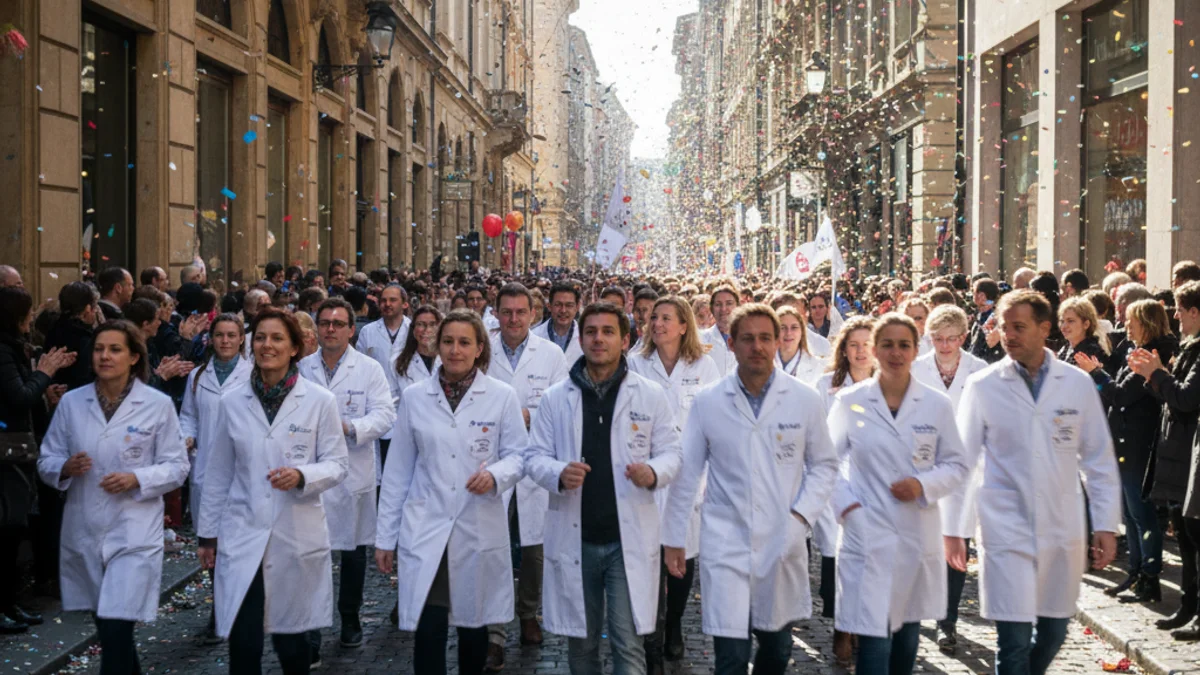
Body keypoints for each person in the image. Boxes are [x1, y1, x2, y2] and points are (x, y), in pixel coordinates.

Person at [947, 290, 1121, 675]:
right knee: (1012, 643)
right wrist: (953, 529)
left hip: (1061, 525)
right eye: (1003, 327)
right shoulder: (984, 385)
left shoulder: (1074, 384)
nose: (1007, 335)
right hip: (1004, 526)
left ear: (1045, 329)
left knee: (1054, 632)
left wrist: (1107, 524)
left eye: (1018, 327)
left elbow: (1098, 457)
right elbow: (961, 462)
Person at [664, 303, 837, 675]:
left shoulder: (804, 400)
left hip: (782, 541)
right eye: (747, 339)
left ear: (777, 342)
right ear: (731, 344)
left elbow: (824, 465)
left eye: (765, 338)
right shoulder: (709, 401)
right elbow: (687, 472)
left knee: (777, 648)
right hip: (727, 541)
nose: (756, 347)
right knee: (730, 657)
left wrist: (800, 518)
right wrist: (675, 538)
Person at [525, 302, 682, 675]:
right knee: (582, 647)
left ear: (625, 340)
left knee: (628, 646)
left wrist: (654, 471)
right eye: (591, 332)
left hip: (626, 540)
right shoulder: (555, 399)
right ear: (580, 340)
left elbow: (673, 453)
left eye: (608, 331)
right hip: (575, 538)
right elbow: (533, 457)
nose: (599, 339)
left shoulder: (649, 395)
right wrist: (558, 472)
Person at [375, 310, 528, 675]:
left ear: (479, 349)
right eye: (448, 341)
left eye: (464, 342)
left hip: (476, 521)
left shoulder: (501, 396)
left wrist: (495, 474)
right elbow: (397, 472)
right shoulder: (415, 397)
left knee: (473, 626)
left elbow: (521, 456)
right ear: (436, 345)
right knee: (429, 628)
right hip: (426, 523)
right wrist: (385, 538)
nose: (455, 350)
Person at [197, 307, 349, 674]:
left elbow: (337, 464)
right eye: (261, 337)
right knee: (244, 642)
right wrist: (207, 535)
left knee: (292, 644)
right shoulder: (232, 402)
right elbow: (217, 472)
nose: (267, 345)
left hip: (295, 532)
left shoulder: (319, 401)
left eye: (278, 338)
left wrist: (302, 475)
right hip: (242, 530)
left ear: (295, 347)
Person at [37, 320, 191, 674]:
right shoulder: (73, 403)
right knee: (109, 628)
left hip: (133, 530)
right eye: (100, 349)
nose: (105, 356)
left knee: (116, 621)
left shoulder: (156, 404)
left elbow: (177, 466)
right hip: (85, 528)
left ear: (135, 357)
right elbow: (46, 458)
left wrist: (136, 477)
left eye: (115, 349)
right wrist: (64, 467)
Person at [827, 313, 968, 675]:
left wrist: (923, 485)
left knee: (906, 641)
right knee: (875, 643)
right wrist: (849, 508)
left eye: (904, 344)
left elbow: (956, 465)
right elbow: (824, 464)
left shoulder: (936, 405)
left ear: (915, 349)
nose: (895, 352)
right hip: (866, 534)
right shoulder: (851, 401)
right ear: (874, 350)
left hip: (915, 534)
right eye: (886, 344)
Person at [628, 296, 720, 669]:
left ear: (684, 325)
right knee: (648, 556)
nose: (658, 324)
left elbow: (714, 421)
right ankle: (650, 629)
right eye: (654, 318)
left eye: (667, 318)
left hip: (688, 476)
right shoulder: (635, 363)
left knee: (682, 556)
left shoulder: (705, 365)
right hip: (647, 471)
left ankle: (675, 624)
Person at [298, 298, 396, 651]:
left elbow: (386, 414)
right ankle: (309, 624)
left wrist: (351, 427)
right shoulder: (301, 368)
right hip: (311, 474)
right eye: (324, 323)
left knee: (353, 552)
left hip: (353, 472)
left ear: (352, 330)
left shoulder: (369, 369)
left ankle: (350, 614)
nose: (331, 329)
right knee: (312, 551)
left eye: (339, 323)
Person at [484, 283, 569, 668]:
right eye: (507, 312)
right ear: (496, 313)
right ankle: (493, 631)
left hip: (535, 457)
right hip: (491, 458)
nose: (514, 319)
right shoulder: (481, 348)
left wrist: (529, 416)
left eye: (521, 313)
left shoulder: (550, 354)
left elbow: (563, 407)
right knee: (494, 544)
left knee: (534, 547)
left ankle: (528, 612)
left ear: (532, 314)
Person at [1075, 298, 1177, 605]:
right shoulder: (1135, 351)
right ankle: (1135, 572)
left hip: (1139, 445)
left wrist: (1096, 373)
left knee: (1142, 514)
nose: (1126, 325)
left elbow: (1120, 395)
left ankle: (1149, 576)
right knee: (1131, 515)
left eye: (1131, 320)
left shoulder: (1153, 354)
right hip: (1125, 444)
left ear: (1145, 324)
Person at [908, 304, 988, 654]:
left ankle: (947, 620)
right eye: (937, 339)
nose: (944, 345)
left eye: (951, 339)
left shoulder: (980, 371)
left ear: (963, 337)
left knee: (956, 546)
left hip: (963, 470)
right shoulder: (915, 369)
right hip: (921, 466)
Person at [0, 287, 74, 634]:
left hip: (17, 448)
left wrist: (45, 394)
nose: (32, 319)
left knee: (14, 529)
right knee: (7, 528)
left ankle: (9, 602)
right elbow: (17, 397)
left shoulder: (13, 348)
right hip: (7, 453)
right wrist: (44, 373)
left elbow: (26, 398)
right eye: (28, 313)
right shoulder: (3, 350)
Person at [1128, 281, 1200, 638]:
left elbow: (1186, 398)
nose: (1174, 316)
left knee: (1195, 539)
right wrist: (1152, 375)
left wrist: (1156, 373)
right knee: (1186, 538)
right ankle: (1188, 609)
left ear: (1194, 313)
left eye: (1179, 310)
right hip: (1178, 455)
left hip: (1190, 457)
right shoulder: (1188, 347)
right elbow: (1169, 397)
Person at [812, 314, 876, 665]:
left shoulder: (889, 384)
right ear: (844, 350)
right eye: (854, 345)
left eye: (867, 344)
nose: (861, 351)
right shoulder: (826, 387)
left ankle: (864, 628)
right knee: (841, 563)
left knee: (871, 564)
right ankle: (843, 626)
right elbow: (819, 438)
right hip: (837, 485)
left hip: (876, 489)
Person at [354, 284, 411, 470]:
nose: (387, 304)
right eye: (383, 300)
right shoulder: (368, 332)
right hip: (376, 405)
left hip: (406, 405)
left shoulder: (413, 331)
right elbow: (360, 369)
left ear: (404, 304)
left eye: (393, 300)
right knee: (381, 464)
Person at [45, 281, 101, 391]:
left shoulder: (52, 329)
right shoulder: (85, 338)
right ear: (88, 309)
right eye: (95, 308)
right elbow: (85, 377)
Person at [533, 282, 584, 365]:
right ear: (549, 306)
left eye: (569, 305)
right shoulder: (534, 336)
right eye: (558, 305)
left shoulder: (586, 337)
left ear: (577, 307)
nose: (563, 310)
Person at [774, 306, 824, 385]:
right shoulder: (761, 364)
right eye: (782, 327)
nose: (788, 333)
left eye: (794, 327)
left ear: (802, 332)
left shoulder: (819, 367)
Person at [698, 285, 740, 375]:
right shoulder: (700, 339)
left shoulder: (749, 339)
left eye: (729, 303)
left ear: (738, 307)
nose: (723, 309)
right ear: (712, 309)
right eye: (718, 304)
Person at [1057, 296, 1109, 366]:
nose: (1064, 326)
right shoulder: (1066, 348)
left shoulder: (1092, 354)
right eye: (1062, 321)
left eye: (1070, 321)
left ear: (1086, 324)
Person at [967, 278, 1004, 364]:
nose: (972, 296)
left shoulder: (994, 317)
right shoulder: (980, 314)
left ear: (982, 296)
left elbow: (989, 342)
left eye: (974, 292)